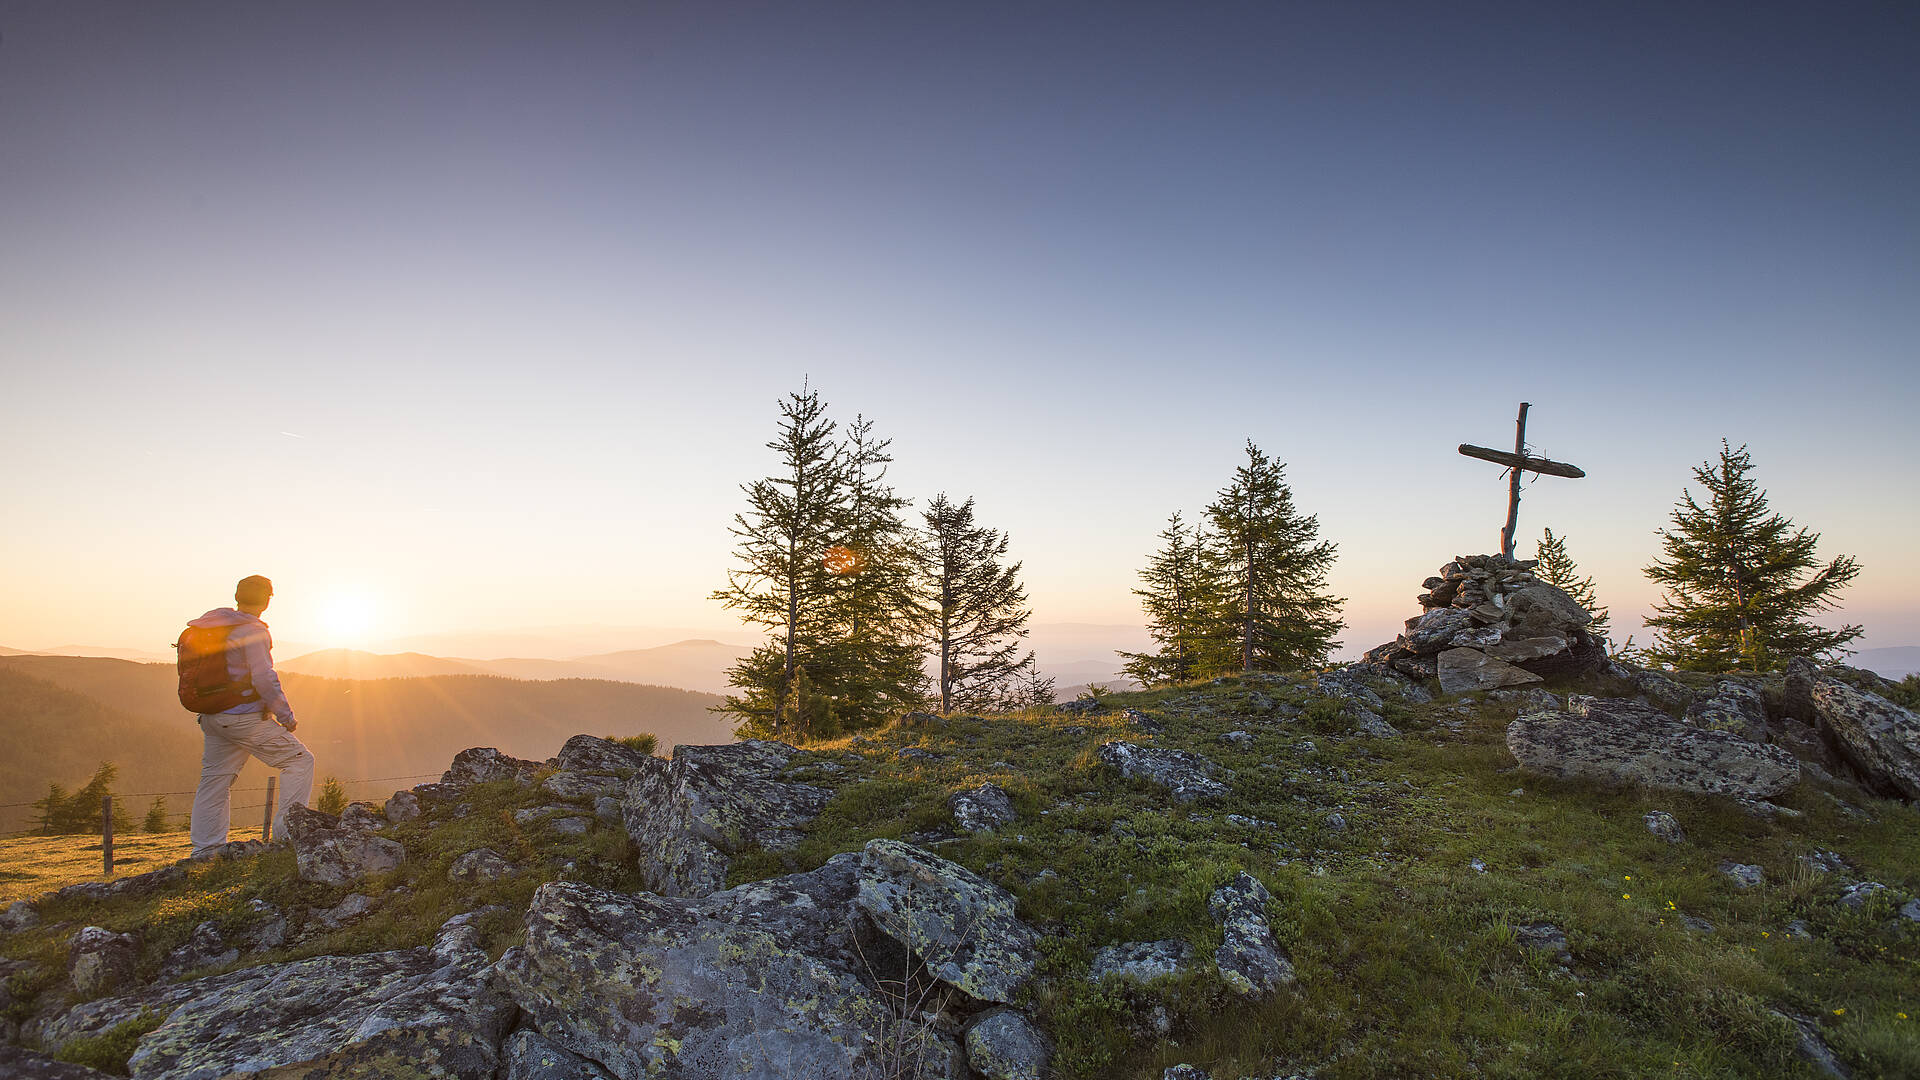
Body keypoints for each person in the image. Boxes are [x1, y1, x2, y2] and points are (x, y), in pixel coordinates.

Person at [188, 574, 314, 855]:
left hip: (212, 717)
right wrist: (285, 716)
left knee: (215, 780)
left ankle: (205, 850)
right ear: (267, 600)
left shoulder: (211, 625)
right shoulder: (252, 630)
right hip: (243, 718)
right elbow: (264, 677)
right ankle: (286, 838)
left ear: (237, 596)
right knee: (299, 760)